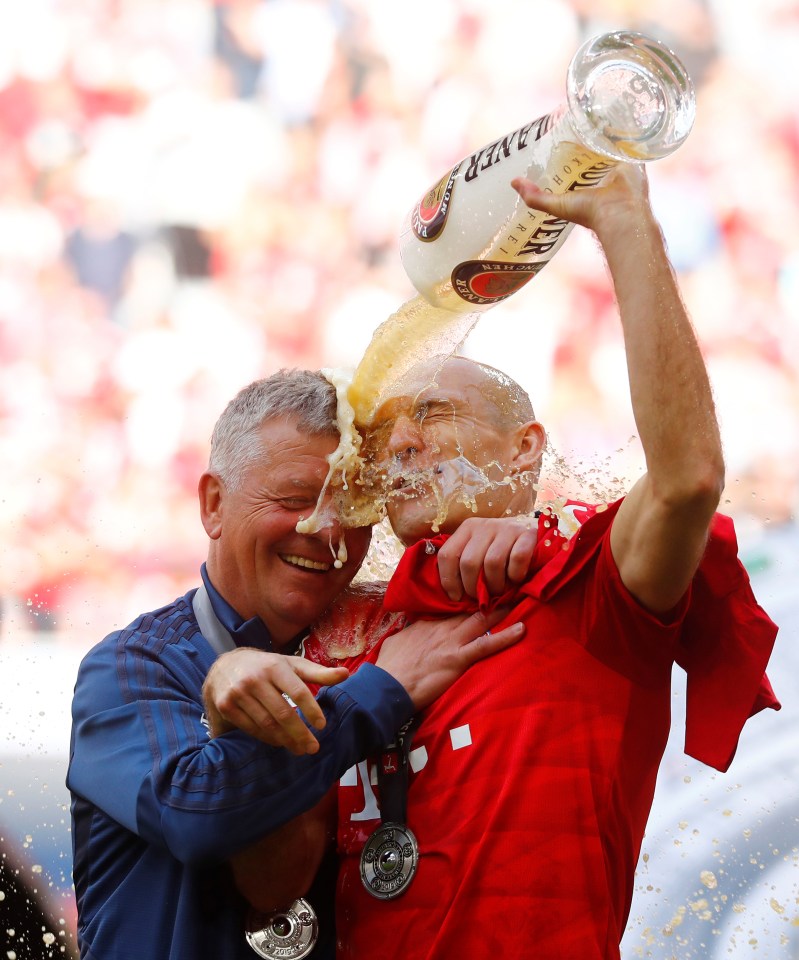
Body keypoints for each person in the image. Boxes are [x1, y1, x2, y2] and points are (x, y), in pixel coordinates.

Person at [221, 164, 781, 959]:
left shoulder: (584, 591)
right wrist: (234, 692)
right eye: (382, 439)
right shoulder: (333, 641)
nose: (403, 443)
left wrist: (624, 224)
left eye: (435, 414)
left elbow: (687, 480)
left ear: (524, 453)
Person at [66, 369, 529, 960]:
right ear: (213, 504)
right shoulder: (134, 666)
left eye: (356, 504)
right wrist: (375, 693)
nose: (328, 530)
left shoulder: (386, 632)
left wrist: (514, 526)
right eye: (294, 501)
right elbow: (195, 813)